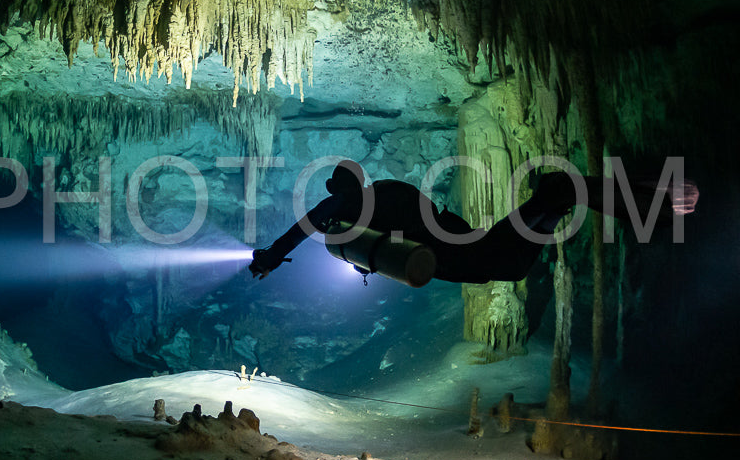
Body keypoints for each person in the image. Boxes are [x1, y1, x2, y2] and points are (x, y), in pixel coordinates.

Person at [248, 160, 697, 285]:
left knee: (548, 206)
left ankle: (648, 205)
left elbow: (302, 229)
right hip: (462, 246)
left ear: (333, 187)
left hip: (464, 255)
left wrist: (270, 257)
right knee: (544, 210)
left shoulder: (349, 209)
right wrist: (272, 254)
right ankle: (649, 205)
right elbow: (304, 227)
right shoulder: (372, 195)